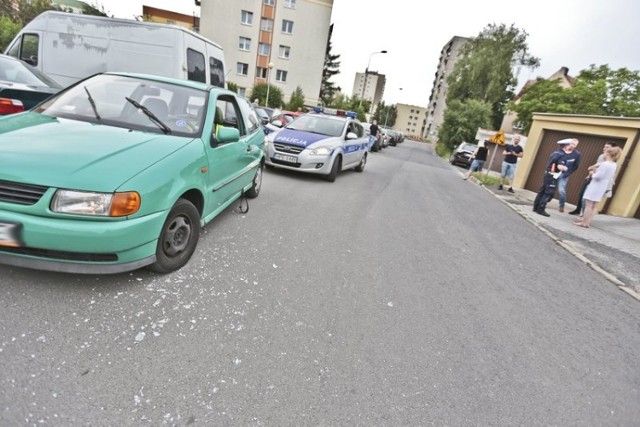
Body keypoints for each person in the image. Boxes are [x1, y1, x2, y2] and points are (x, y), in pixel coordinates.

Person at [573, 146, 622, 228]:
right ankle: (587, 222)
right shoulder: (614, 165)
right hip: (603, 185)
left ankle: (584, 223)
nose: (604, 153)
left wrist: (592, 173)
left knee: (589, 205)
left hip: (596, 185)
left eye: (606, 152)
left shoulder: (604, 164)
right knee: (594, 205)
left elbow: (598, 176)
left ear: (608, 153)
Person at [569, 142, 616, 216]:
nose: (604, 148)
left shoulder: (610, 162)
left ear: (612, 149)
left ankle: (584, 216)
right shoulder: (601, 156)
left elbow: (599, 171)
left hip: (598, 181)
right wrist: (589, 174)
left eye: (607, 147)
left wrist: (592, 173)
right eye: (604, 146)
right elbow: (595, 167)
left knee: (590, 201)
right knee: (582, 194)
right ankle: (579, 210)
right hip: (592, 178)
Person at [532, 138, 575, 216]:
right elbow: (559, 166)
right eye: (570, 145)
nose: (571, 146)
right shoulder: (562, 155)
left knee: (542, 191)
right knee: (549, 193)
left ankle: (536, 207)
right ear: (566, 146)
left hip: (547, 174)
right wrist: (566, 168)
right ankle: (541, 209)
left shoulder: (555, 153)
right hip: (553, 175)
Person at [556, 138, 581, 212]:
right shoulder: (561, 151)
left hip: (564, 175)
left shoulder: (577, 154)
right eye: (571, 143)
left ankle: (561, 206)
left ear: (576, 146)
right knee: (549, 188)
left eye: (574, 144)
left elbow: (576, 166)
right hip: (555, 172)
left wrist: (567, 173)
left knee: (561, 191)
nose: (572, 145)